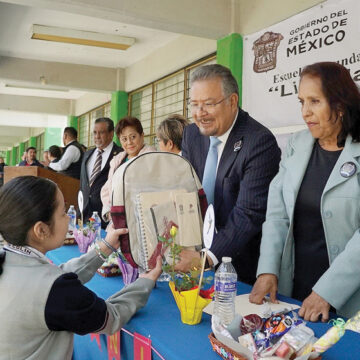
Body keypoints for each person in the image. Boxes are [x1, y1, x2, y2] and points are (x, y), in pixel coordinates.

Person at [0, 176, 162, 360]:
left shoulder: (9, 260)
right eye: (63, 213)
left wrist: (104, 248)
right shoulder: (55, 291)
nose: (69, 217)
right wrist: (145, 282)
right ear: (41, 230)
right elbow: (112, 317)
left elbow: (58, 277)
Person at [250, 62, 360, 321]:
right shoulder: (297, 145)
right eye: (301, 102)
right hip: (295, 290)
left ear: (340, 105)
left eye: (314, 101)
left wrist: (327, 291)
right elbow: (277, 215)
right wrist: (267, 270)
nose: (305, 112)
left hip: (347, 295)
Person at [180, 64, 281, 285]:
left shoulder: (259, 142)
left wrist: (205, 258)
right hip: (194, 259)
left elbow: (249, 213)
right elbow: (184, 190)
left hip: (238, 267)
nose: (199, 113)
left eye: (208, 104)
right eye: (194, 105)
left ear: (232, 101)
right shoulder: (191, 134)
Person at [101, 116, 156, 221]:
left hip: (142, 218)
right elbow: (107, 189)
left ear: (142, 136)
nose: (129, 142)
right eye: (124, 139)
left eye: (133, 137)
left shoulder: (150, 157)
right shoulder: (117, 160)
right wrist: (109, 212)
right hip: (119, 218)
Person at [80, 118, 122, 229]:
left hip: (106, 219)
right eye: (95, 132)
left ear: (111, 134)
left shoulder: (121, 155)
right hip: (85, 216)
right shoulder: (87, 155)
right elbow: (83, 184)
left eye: (101, 132)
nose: (97, 136)